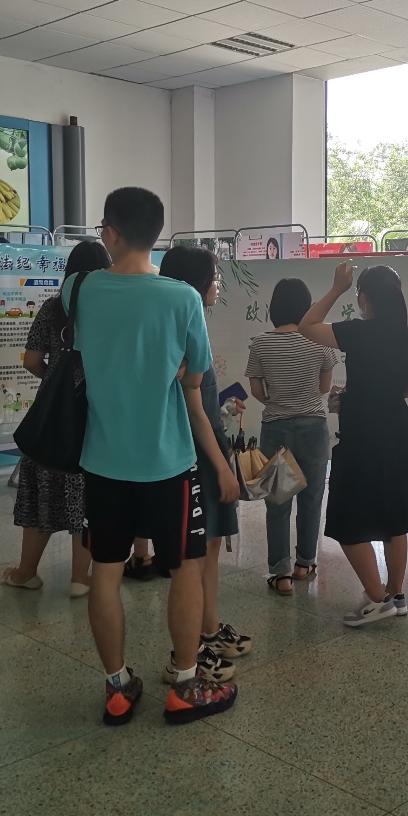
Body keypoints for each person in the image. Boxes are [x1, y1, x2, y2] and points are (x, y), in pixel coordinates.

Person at [69, 187, 239, 726]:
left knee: (105, 571)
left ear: (110, 233)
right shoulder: (182, 299)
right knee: (186, 566)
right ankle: (185, 686)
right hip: (169, 463)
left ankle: (118, 688)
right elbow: (193, 382)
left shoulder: (79, 288)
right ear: (156, 233)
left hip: (102, 461)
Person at [299, 262, 408, 626]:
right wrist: (363, 395)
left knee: (347, 520)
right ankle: (396, 595)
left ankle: (377, 597)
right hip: (396, 435)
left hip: (362, 439)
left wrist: (337, 287)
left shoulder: (358, 332)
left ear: (365, 298)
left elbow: (308, 326)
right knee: (395, 518)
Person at [157, 246, 251, 682]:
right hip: (195, 458)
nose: (219, 284)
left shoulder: (189, 323)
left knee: (210, 546)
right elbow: (191, 408)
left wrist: (225, 414)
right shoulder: (177, 329)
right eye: (214, 276)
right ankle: (189, 651)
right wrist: (222, 467)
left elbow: (202, 402)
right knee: (193, 556)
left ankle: (209, 628)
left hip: (208, 450)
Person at [3, 240, 110, 598]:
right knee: (88, 496)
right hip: (95, 415)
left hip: (53, 419)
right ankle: (80, 577)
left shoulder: (51, 308)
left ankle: (25, 573)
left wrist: (54, 380)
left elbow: (32, 361)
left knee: (42, 493)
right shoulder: (108, 309)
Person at [247, 278, 340, 595]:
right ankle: (305, 563)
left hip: (275, 428)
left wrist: (277, 401)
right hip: (313, 428)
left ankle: (281, 573)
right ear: (306, 306)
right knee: (311, 499)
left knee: (277, 501)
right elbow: (324, 388)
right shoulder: (320, 342)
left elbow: (257, 390)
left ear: (274, 307)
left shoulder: (260, 343)